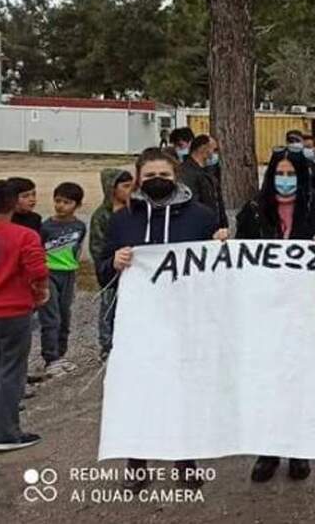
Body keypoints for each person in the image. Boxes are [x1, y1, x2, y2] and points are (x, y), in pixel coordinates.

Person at [97, 147, 227, 492]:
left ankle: (186, 460)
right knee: (138, 389)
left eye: (164, 175)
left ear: (176, 177)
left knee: (185, 390)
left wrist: (220, 244)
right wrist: (114, 262)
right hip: (139, 324)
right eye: (150, 176)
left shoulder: (201, 216)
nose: (158, 181)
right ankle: (137, 462)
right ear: (139, 178)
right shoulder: (123, 219)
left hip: (187, 320)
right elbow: (102, 271)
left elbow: (219, 271)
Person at [235, 151, 315, 484]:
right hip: (264, 310)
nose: (286, 179)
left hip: (306, 310)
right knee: (267, 381)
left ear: (302, 177)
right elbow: (239, 257)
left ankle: (298, 448)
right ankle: (268, 450)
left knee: (300, 381)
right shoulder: (253, 211)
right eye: (280, 173)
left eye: (292, 174)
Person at [0, 179, 49, 452]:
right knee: (11, 371)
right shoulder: (24, 235)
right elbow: (37, 270)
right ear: (12, 203)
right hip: (13, 310)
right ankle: (5, 433)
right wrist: (41, 291)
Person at [39, 182, 87, 378]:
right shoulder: (46, 226)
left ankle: (61, 354)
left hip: (69, 273)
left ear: (77, 205)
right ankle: (50, 358)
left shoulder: (79, 226)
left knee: (65, 315)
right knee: (51, 317)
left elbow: (78, 248)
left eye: (67, 202)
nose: (61, 205)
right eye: (58, 201)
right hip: (49, 273)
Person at [88, 168, 133, 359]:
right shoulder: (101, 216)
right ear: (112, 188)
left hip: (132, 268)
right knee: (109, 308)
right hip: (111, 270)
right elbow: (97, 247)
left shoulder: (135, 211)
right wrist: (108, 263)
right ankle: (107, 345)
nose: (130, 190)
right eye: (125, 186)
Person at [178, 135, 228, 229]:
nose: (215, 154)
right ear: (203, 148)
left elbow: (217, 200)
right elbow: (192, 202)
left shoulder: (207, 171)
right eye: (214, 149)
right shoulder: (187, 172)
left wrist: (223, 225)